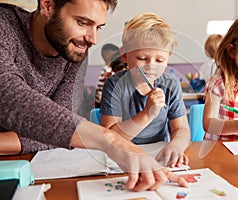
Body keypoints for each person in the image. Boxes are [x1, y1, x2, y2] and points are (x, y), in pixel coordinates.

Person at [0, 0, 188, 191]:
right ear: (47, 5)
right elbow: (7, 94)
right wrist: (111, 140)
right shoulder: (4, 26)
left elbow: (60, 128)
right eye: (82, 22)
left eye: (99, 27)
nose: (93, 39)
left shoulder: (75, 49)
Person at [100, 13, 191, 168]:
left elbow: (180, 128)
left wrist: (176, 145)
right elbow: (111, 137)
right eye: (142, 58)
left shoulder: (171, 84)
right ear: (124, 55)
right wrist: (147, 114)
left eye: (160, 60)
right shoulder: (115, 85)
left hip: (159, 158)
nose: (151, 66)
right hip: (122, 158)